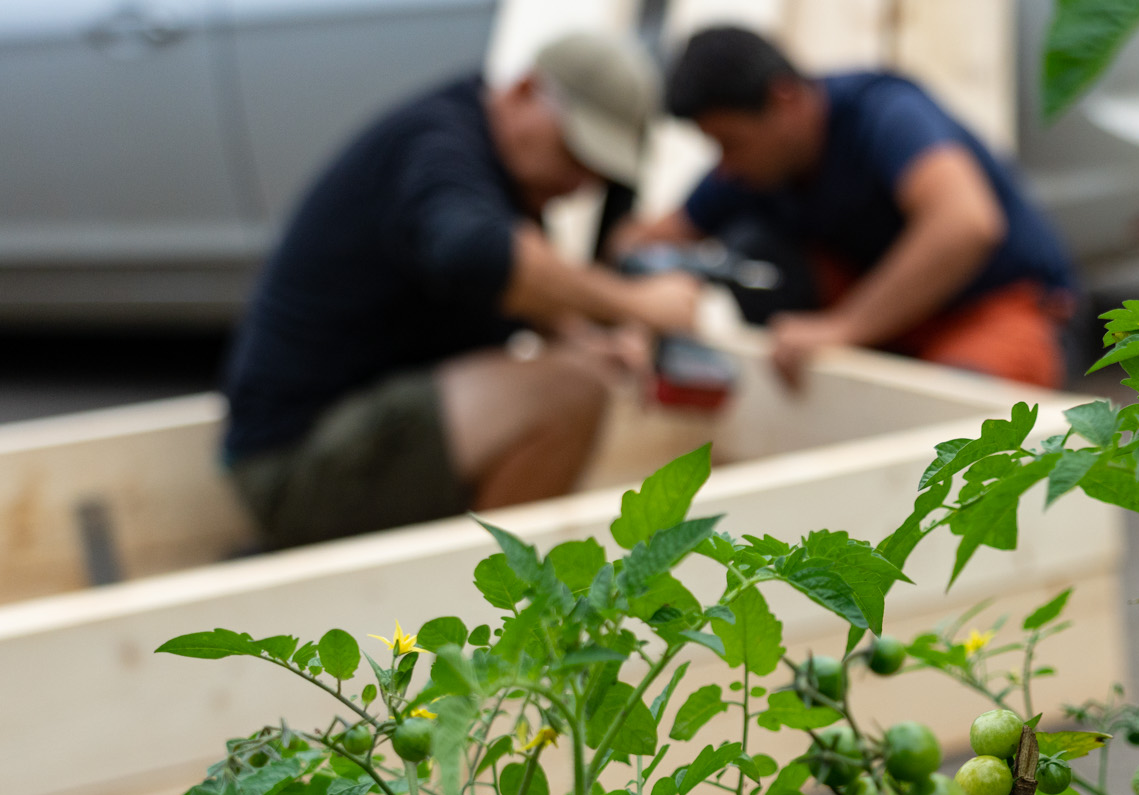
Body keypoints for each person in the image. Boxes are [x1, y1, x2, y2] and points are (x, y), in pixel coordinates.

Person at [220, 33, 701, 550]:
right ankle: (486, 612)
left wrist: (582, 336)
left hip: (344, 437)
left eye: (596, 173)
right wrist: (640, 304)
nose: (578, 182)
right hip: (295, 466)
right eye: (574, 152)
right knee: (571, 392)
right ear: (522, 92)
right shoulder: (439, 147)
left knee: (579, 372)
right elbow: (482, 256)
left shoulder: (492, 169)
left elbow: (500, 287)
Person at [622, 26, 1075, 390]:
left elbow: (967, 224)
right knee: (751, 252)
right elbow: (641, 243)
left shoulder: (885, 112)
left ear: (784, 99)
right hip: (901, 328)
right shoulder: (751, 166)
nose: (725, 167)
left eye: (731, 143)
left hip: (1006, 310)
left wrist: (844, 327)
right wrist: (645, 301)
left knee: (947, 437)